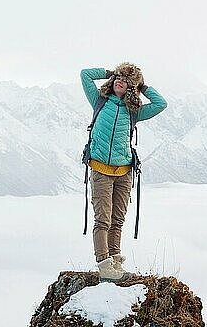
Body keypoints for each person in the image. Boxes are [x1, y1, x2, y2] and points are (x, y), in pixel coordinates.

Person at [80, 62, 167, 282]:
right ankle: (104, 264)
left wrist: (142, 85)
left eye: (126, 80)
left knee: (117, 220)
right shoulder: (99, 100)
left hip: (125, 171)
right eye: (118, 77)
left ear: (131, 87)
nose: (120, 80)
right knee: (103, 220)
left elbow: (161, 104)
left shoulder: (134, 111)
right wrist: (110, 72)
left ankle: (115, 260)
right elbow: (85, 75)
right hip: (100, 169)